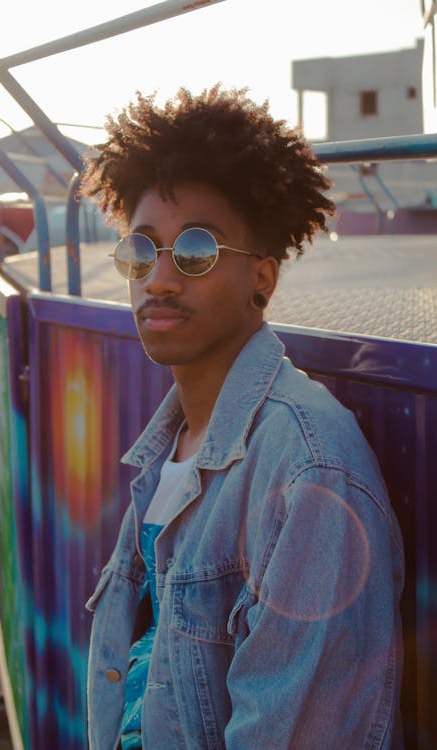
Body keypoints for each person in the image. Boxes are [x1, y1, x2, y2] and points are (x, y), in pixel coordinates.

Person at [82, 85, 404, 750]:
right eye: (140, 250)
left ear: (262, 277)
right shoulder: (170, 447)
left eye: (195, 251)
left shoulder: (308, 470)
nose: (159, 279)